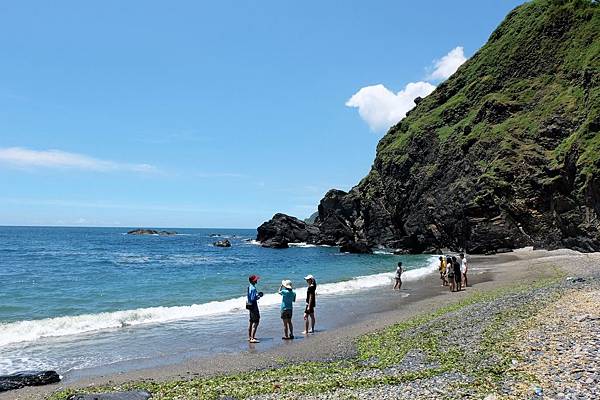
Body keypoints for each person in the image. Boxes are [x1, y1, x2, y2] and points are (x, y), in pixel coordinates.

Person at [246, 274, 263, 343]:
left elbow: (250, 297)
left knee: (251, 321)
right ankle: (252, 338)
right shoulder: (253, 288)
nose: (257, 280)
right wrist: (258, 296)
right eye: (256, 280)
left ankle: (250, 336)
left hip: (249, 304)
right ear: (253, 281)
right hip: (253, 305)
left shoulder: (249, 287)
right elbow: (253, 298)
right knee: (256, 321)